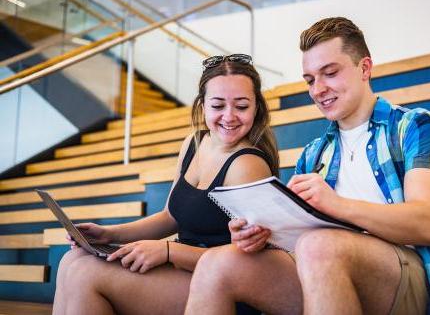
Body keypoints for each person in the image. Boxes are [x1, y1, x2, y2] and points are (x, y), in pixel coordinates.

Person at [185, 17, 430, 315]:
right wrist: (260, 235)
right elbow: (294, 243)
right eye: (311, 80)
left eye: (330, 73)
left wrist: (336, 205)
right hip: (322, 269)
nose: (318, 89)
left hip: (409, 278)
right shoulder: (314, 154)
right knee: (217, 263)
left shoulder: (415, 125)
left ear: (365, 68)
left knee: (319, 245)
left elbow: (428, 224)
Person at [52, 53, 282, 315]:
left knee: (85, 273)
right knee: (72, 260)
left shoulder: (248, 164)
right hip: (183, 270)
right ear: (203, 105)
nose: (229, 117)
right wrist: (109, 234)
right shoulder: (194, 143)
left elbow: (248, 260)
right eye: (218, 106)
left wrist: (170, 251)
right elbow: (171, 216)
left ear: (257, 108)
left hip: (222, 286)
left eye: (241, 106)